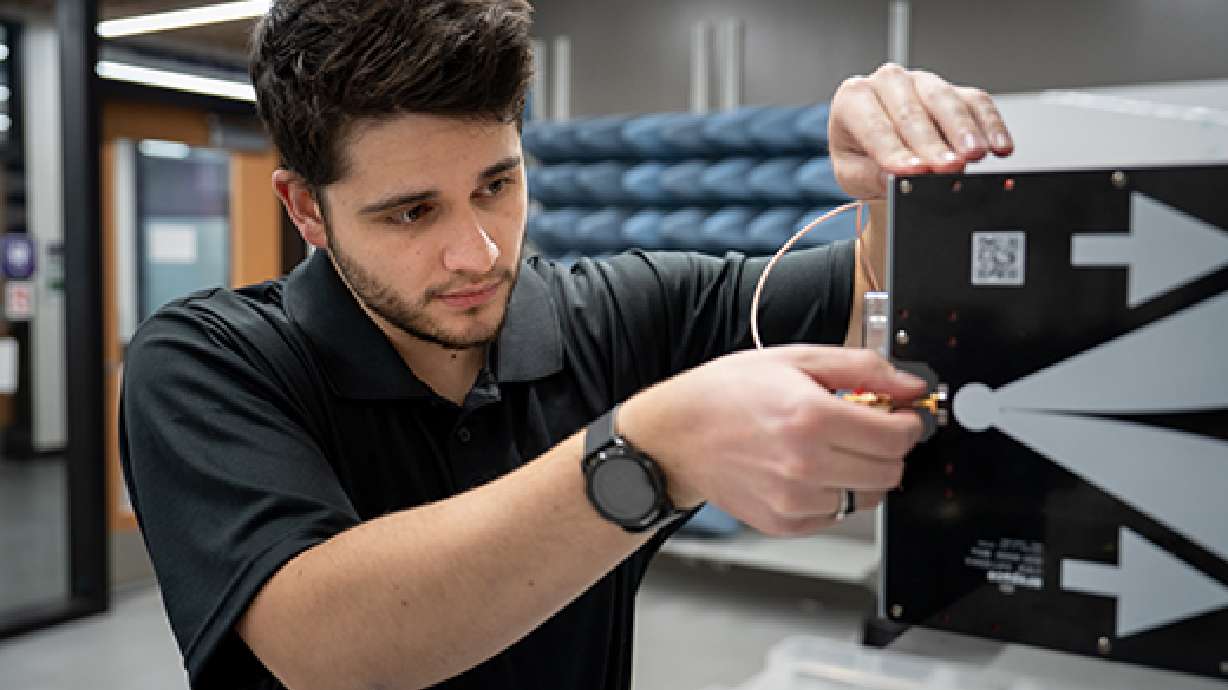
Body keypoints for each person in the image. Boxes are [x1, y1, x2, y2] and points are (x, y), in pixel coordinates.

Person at [119, 1, 1014, 689]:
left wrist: (904, 188)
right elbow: (326, 647)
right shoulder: (209, 363)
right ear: (307, 210)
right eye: (412, 212)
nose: (478, 252)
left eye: (496, 185)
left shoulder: (620, 315)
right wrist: (645, 456)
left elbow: (874, 295)